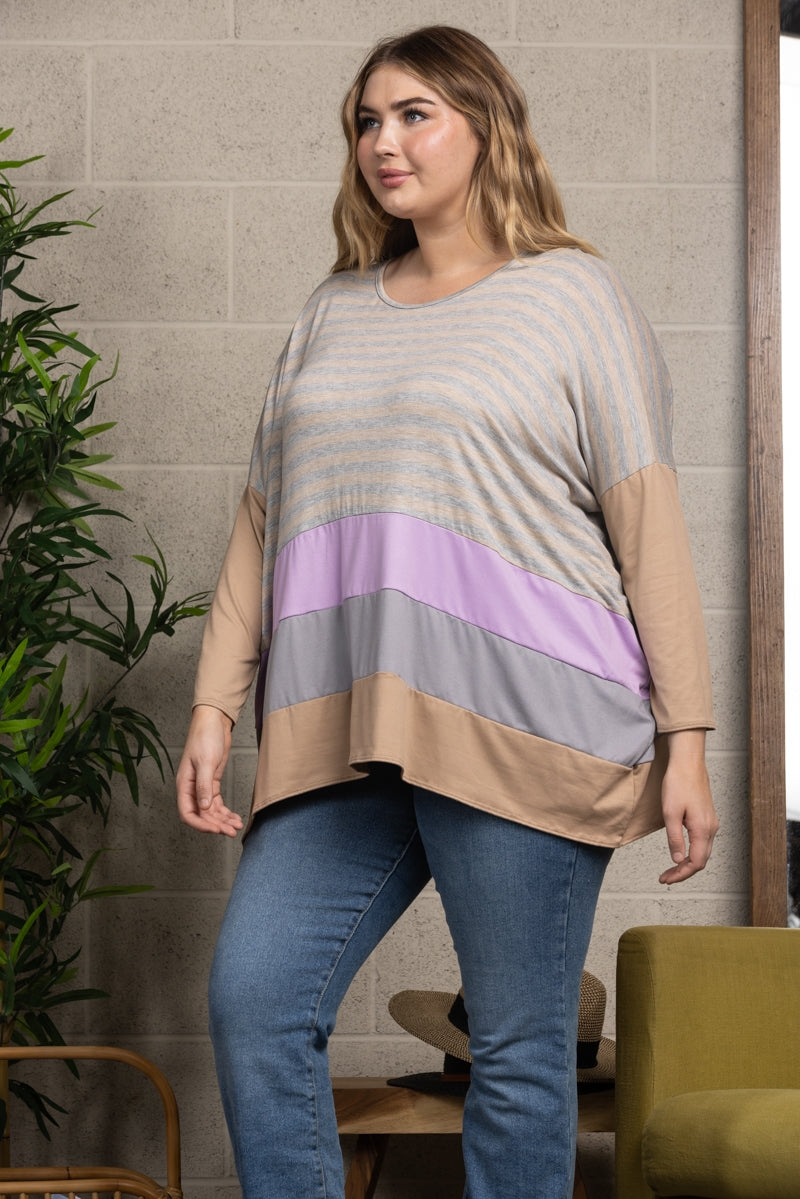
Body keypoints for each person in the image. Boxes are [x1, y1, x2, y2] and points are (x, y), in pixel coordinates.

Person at [176, 25, 718, 1199]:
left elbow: (646, 521)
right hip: (346, 723)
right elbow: (261, 526)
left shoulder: (572, 295)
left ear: (485, 126)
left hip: (525, 717)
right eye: (366, 121)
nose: (384, 141)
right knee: (256, 999)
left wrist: (685, 736)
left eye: (414, 113)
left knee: (518, 1050)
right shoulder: (329, 311)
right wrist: (214, 706)